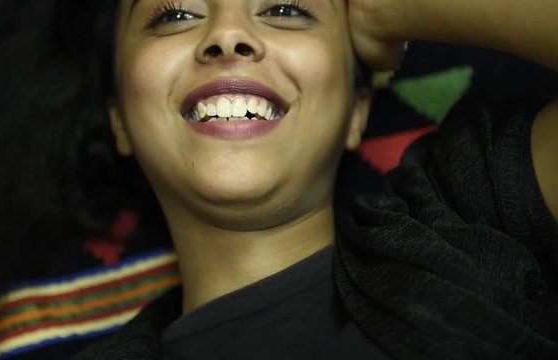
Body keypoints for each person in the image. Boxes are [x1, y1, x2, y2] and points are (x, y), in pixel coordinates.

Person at [67, 0, 558, 359]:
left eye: (285, 8)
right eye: (174, 15)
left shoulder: (468, 217)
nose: (228, 36)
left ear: (357, 110)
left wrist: (383, 10)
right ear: (119, 120)